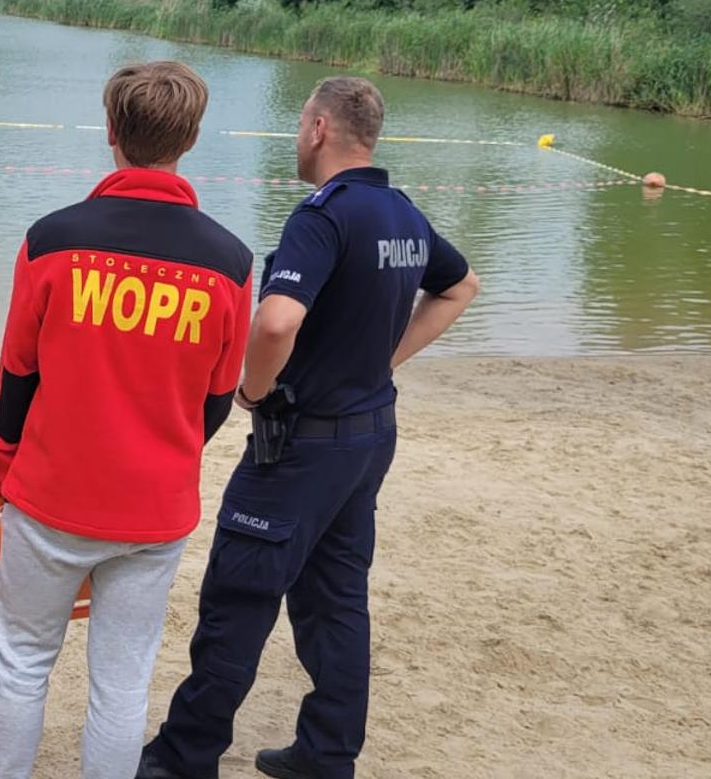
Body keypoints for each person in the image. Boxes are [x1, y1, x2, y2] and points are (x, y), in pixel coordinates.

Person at [137, 77, 481, 779]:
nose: (297, 138)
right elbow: (460, 285)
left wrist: (252, 391)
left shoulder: (322, 216)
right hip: (368, 435)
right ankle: (327, 755)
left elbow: (277, 319)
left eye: (300, 125)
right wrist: (383, 358)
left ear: (320, 129)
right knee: (336, 600)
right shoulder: (403, 214)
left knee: (238, 598)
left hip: (303, 447)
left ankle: (181, 761)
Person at [0, 61, 256, 779]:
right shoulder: (229, 263)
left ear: (110, 132)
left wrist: (3, 469)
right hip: (154, 510)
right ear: (191, 139)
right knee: (122, 683)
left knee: (21, 663)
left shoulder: (51, 239)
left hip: (50, 496)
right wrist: (165, 452)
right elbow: (217, 399)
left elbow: (17, 375)